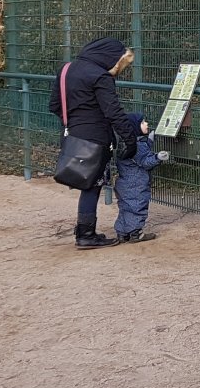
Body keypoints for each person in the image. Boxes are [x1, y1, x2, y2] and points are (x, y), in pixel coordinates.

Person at [48, 37, 137, 249]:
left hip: (72, 135)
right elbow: (113, 112)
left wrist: (74, 121)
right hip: (96, 138)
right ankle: (86, 234)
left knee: (86, 182)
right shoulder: (100, 76)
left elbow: (54, 104)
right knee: (92, 185)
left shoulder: (67, 69)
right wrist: (130, 140)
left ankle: (84, 231)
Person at [112, 112, 169, 244]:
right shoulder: (138, 146)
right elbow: (144, 162)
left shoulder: (125, 143)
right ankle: (136, 233)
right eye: (143, 122)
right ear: (135, 127)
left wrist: (149, 140)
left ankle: (122, 233)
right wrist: (157, 158)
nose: (146, 123)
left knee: (125, 207)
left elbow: (137, 157)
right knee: (138, 207)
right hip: (137, 183)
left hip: (124, 182)